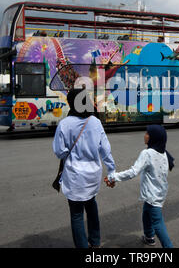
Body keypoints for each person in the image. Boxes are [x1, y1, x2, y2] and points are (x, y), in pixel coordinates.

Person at [53, 88, 116, 248]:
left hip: (75, 176)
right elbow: (105, 149)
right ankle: (95, 242)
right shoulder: (95, 121)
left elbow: (59, 151)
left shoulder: (65, 124)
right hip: (93, 174)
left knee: (76, 214)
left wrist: (69, 153)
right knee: (91, 204)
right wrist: (112, 171)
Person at [106, 125, 174, 248]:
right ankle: (149, 237)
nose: (145, 135)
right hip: (159, 192)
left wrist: (113, 177)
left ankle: (168, 246)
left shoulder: (147, 153)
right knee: (146, 213)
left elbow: (133, 172)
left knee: (157, 223)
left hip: (153, 195)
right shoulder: (163, 152)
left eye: (148, 133)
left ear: (153, 137)